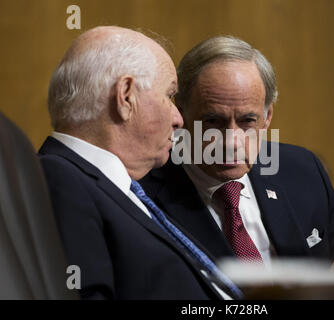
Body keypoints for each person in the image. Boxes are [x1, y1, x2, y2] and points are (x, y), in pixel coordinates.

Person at [139, 36, 334, 271]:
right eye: (213, 121)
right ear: (180, 113)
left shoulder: (302, 170)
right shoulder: (141, 189)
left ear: (267, 117)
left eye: (247, 120)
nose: (232, 141)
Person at [39, 27, 242, 299]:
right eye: (169, 96)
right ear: (126, 96)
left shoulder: (117, 187)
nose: (178, 119)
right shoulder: (59, 180)